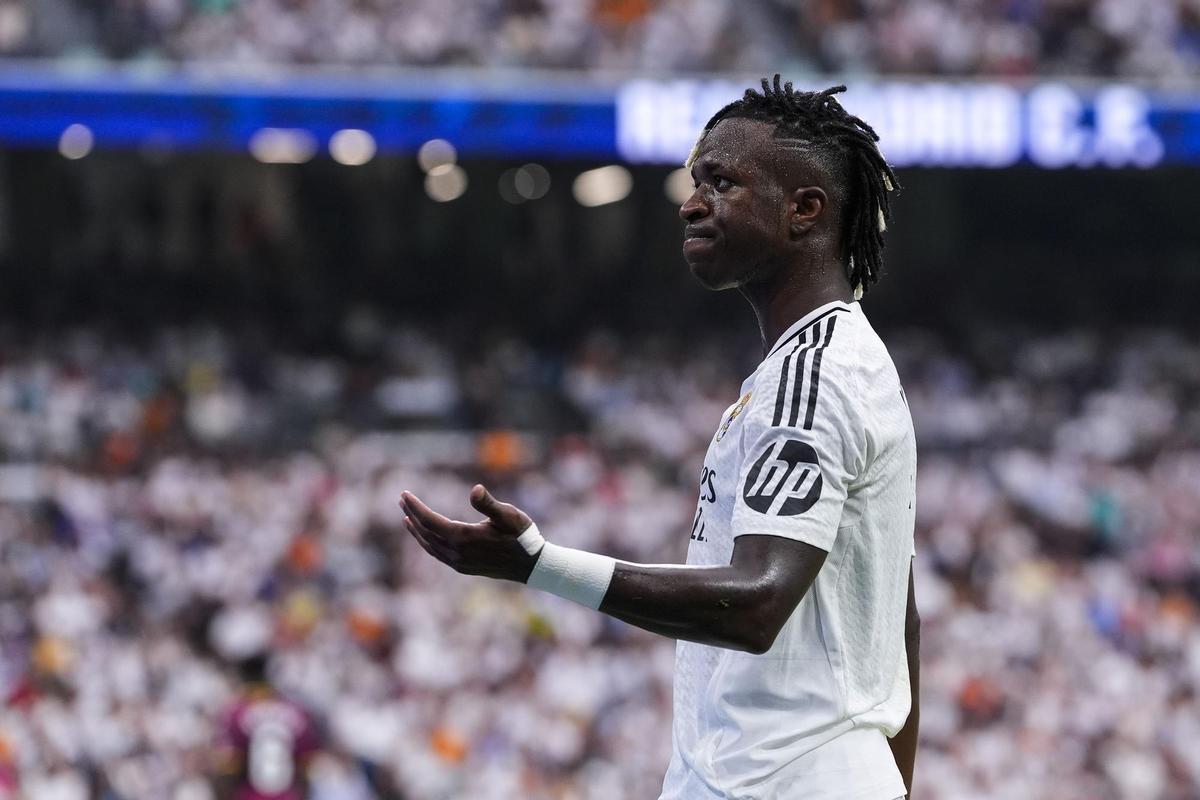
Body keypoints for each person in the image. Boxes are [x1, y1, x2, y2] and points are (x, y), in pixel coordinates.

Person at [402, 76, 919, 800]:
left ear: (805, 210)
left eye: (723, 182)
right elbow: (898, 612)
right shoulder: (821, 363)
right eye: (695, 178)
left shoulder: (814, 376)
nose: (692, 201)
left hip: (787, 779)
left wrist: (542, 567)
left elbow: (759, 601)